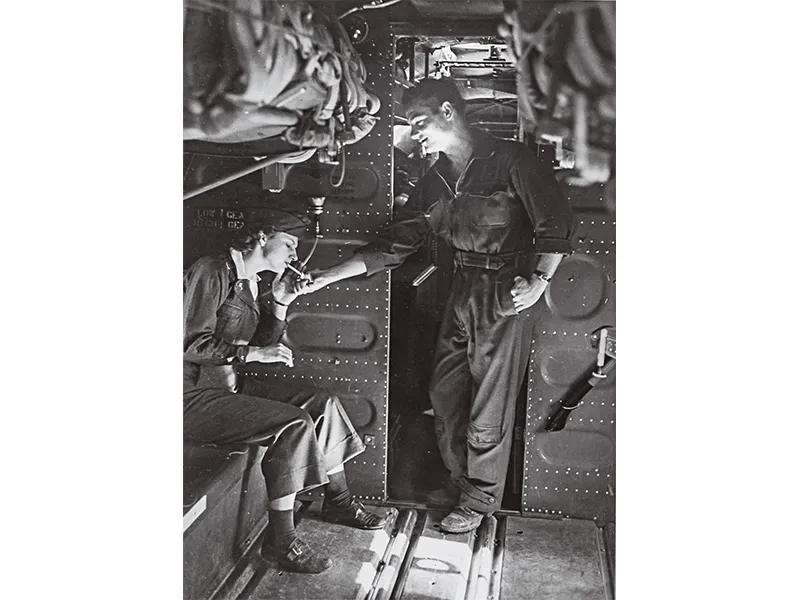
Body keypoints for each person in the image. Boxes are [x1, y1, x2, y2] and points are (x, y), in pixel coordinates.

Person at [302, 78, 574, 534]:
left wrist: (540, 279)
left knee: (489, 403)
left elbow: (556, 223)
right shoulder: (437, 179)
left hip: (505, 292)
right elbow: (399, 241)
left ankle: (479, 499)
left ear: (448, 111)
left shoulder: (510, 160)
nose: (416, 133)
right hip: (462, 285)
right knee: (443, 393)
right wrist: (327, 276)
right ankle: (457, 481)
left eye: (419, 122)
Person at [183, 209, 388, 574]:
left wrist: (280, 302)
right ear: (263, 236)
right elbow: (190, 345)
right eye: (290, 243)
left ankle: (338, 498)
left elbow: (261, 345)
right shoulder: (211, 270)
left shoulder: (249, 281)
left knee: (322, 404)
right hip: (190, 396)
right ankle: (281, 541)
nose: (295, 255)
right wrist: (253, 352)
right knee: (293, 424)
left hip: (226, 385)